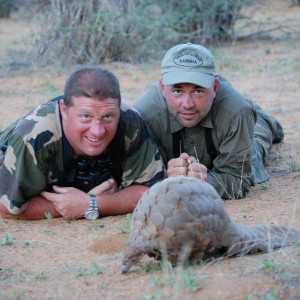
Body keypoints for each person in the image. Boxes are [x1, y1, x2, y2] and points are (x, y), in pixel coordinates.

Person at [0, 67, 165, 220]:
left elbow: (151, 190)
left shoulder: (129, 119)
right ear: (64, 110)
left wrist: (92, 203)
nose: (97, 131)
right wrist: (69, 206)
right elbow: (6, 207)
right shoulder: (33, 135)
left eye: (108, 117)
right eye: (86, 116)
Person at [134, 43, 284, 199]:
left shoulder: (237, 112)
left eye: (198, 91)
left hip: (235, 119)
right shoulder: (142, 116)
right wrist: (166, 177)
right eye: (177, 91)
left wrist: (201, 183)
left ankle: (262, 119)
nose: (187, 104)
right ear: (162, 87)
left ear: (215, 86)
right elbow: (134, 178)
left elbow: (237, 181)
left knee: (256, 144)